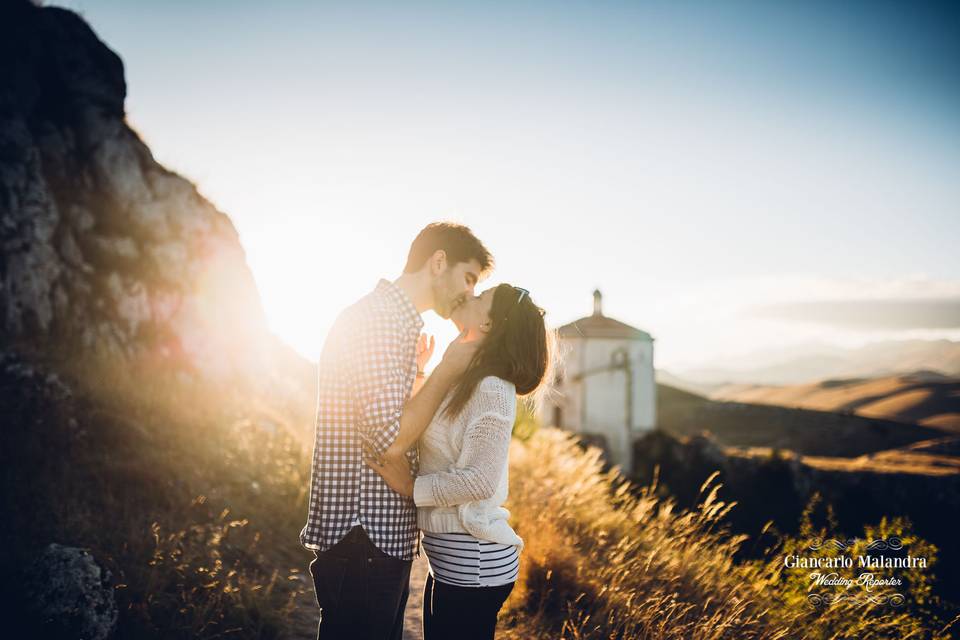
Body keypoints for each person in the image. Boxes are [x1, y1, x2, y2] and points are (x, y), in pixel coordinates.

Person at [299, 222, 494, 640]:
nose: (470, 294)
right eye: (469, 278)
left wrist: (422, 371)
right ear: (438, 262)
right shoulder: (383, 321)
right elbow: (389, 439)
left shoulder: (397, 322)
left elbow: (386, 416)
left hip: (373, 539)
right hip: (364, 536)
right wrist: (446, 369)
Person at [363, 283, 552, 640]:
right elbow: (435, 436)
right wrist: (421, 375)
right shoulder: (467, 378)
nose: (469, 295)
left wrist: (409, 487)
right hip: (453, 565)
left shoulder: (492, 388)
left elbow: (480, 479)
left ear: (490, 324)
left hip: (477, 567)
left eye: (481, 297)